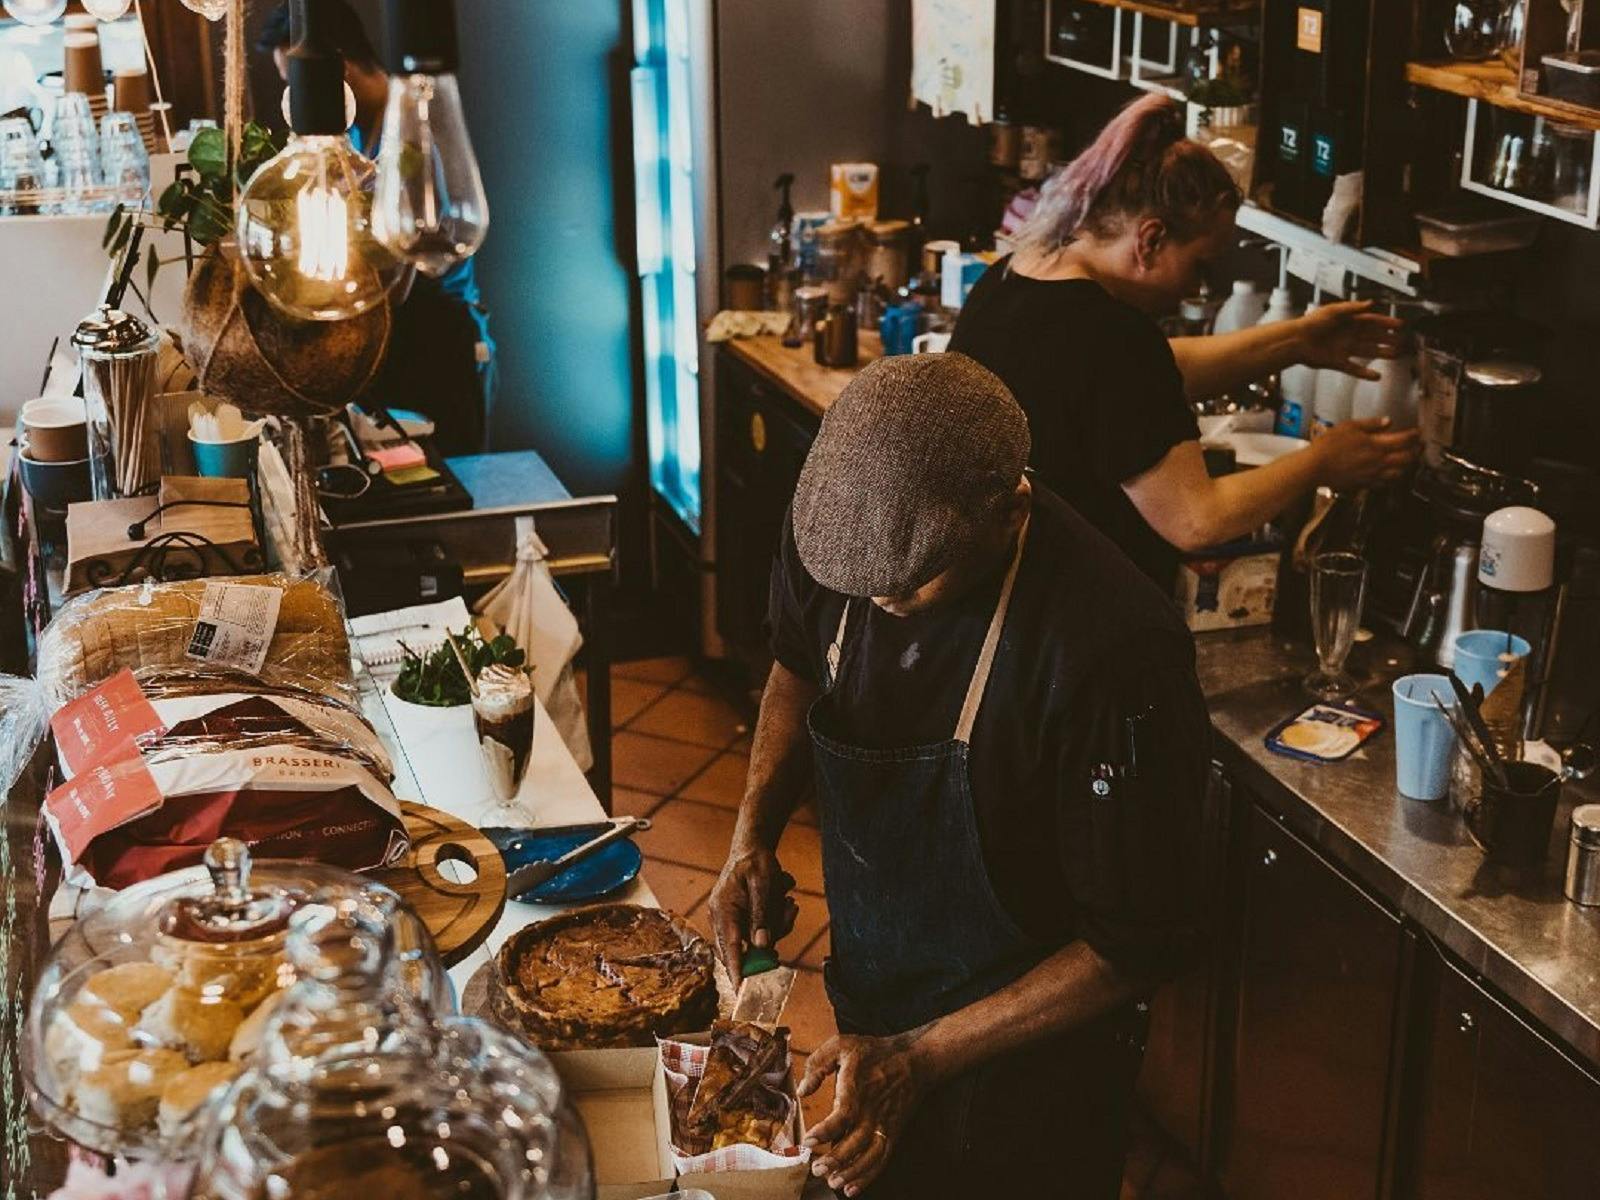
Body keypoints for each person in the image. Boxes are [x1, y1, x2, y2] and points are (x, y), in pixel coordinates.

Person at [708, 353, 1212, 1197]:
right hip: (878, 1003)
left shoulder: (1113, 652)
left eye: (911, 581)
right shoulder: (839, 532)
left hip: (1037, 1070)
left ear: (1011, 506)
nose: (878, 600)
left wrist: (923, 1056)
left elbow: (1137, 943)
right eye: (857, 584)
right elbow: (797, 666)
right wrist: (750, 835)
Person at [950, 92, 1420, 589]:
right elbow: (1197, 520)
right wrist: (1322, 462)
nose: (1197, 288)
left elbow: (1130, 390)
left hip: (993, 587)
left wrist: (1296, 340)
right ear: (1150, 240)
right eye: (1200, 264)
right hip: (1064, 607)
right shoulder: (1115, 338)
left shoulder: (1017, 274)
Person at [255, 1, 494, 454]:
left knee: (449, 484)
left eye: (299, 84)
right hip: (397, 336)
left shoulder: (415, 129)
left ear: (337, 67)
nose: (297, 102)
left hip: (441, 334)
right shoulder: (352, 135)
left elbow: (411, 262)